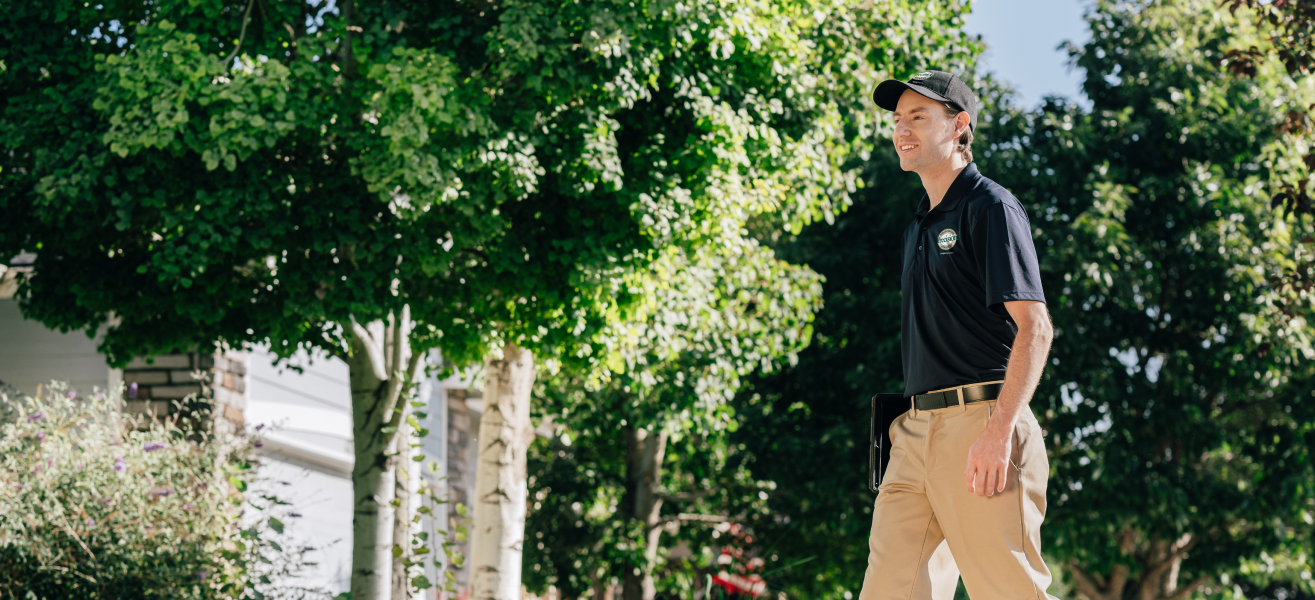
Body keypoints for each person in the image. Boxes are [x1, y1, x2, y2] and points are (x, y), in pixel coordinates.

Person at [859, 70, 1057, 600]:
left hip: (983, 424)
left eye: (919, 117)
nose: (903, 128)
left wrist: (998, 432)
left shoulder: (990, 207)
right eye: (898, 119)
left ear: (959, 125)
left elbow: (1035, 328)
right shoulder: (918, 225)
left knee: (1009, 592)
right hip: (913, 432)